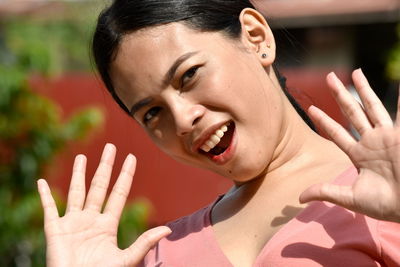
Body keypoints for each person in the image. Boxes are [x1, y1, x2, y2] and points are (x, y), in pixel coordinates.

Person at [37, 0, 400, 266]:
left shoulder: (383, 191)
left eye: (189, 75)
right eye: (151, 113)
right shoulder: (163, 249)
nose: (180, 120)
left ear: (256, 38)